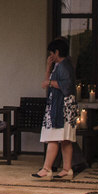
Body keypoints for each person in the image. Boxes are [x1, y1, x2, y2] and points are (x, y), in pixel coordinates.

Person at [31, 38, 77, 181]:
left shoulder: (64, 66)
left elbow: (67, 86)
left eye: (52, 53)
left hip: (61, 107)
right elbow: (48, 83)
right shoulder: (59, 65)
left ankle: (46, 169)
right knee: (65, 139)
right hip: (61, 105)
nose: (51, 56)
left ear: (57, 52)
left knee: (53, 136)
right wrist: (48, 68)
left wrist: (50, 82)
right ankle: (67, 169)